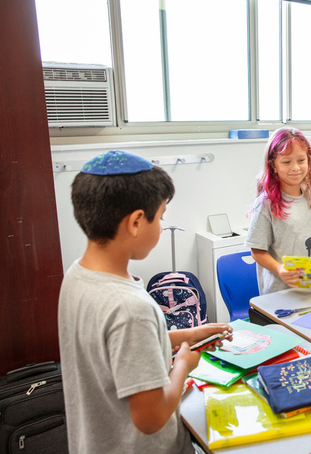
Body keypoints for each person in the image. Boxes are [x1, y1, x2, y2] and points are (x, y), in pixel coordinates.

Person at [58, 150, 232, 454]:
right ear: (137, 221)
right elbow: (150, 418)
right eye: (161, 217)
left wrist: (186, 336)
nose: (162, 228)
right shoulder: (130, 308)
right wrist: (182, 365)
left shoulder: (77, 276)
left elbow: (111, 347)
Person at [245, 127, 311, 295]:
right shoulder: (266, 203)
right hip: (279, 294)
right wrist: (280, 269)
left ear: (308, 162)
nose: (295, 167)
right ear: (273, 165)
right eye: (287, 162)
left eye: (301, 160)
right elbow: (257, 251)